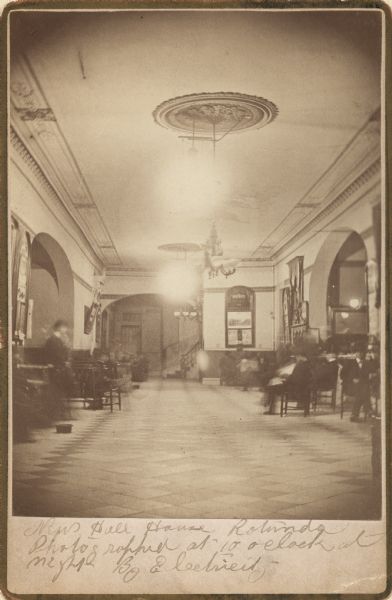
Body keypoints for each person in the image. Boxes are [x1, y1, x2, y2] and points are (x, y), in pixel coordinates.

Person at [44, 320, 73, 419]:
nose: (66, 330)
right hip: (55, 369)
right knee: (56, 391)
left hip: (60, 368)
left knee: (62, 390)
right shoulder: (52, 340)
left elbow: (64, 353)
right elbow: (55, 355)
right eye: (64, 327)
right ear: (59, 328)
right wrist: (63, 362)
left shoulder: (60, 340)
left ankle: (61, 413)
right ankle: (56, 414)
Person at [341, 351, 375, 422]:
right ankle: (368, 409)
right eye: (357, 352)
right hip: (350, 386)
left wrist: (371, 374)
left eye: (361, 352)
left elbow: (373, 371)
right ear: (355, 353)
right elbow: (342, 375)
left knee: (363, 390)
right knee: (364, 391)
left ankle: (354, 415)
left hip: (362, 387)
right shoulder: (349, 362)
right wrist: (352, 379)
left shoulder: (367, 363)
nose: (360, 354)